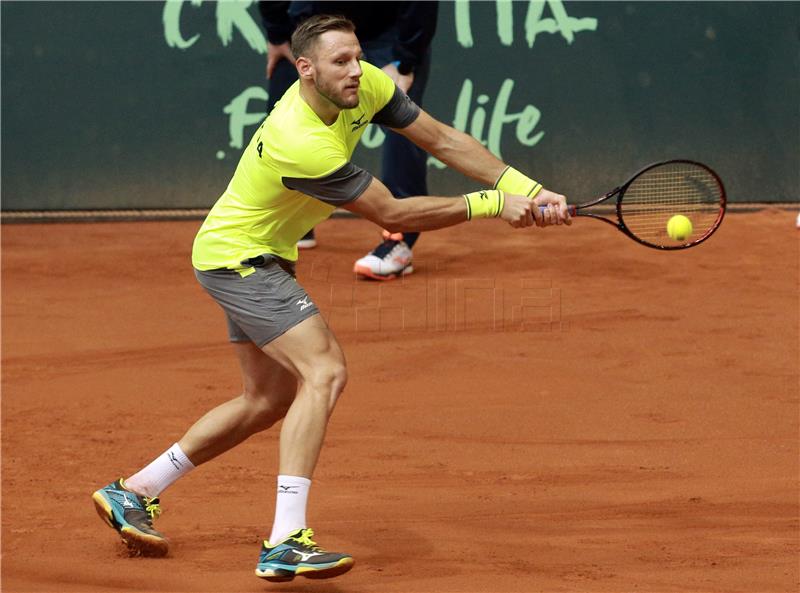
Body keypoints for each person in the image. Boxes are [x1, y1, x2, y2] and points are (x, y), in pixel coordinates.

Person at [91, 14, 570, 583]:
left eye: (358, 57)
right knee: (325, 371)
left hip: (258, 253)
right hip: (237, 260)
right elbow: (390, 213)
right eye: (340, 62)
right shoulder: (300, 139)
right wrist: (491, 206)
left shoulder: (365, 83)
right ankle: (285, 541)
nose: (355, 70)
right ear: (305, 69)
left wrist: (525, 188)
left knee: (265, 401)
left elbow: (440, 139)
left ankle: (134, 491)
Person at [258, 1, 437, 280]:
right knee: (280, 111)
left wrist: (406, 59)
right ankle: (287, 223)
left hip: (389, 29)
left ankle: (398, 240)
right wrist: (278, 34)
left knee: (406, 124)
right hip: (314, 24)